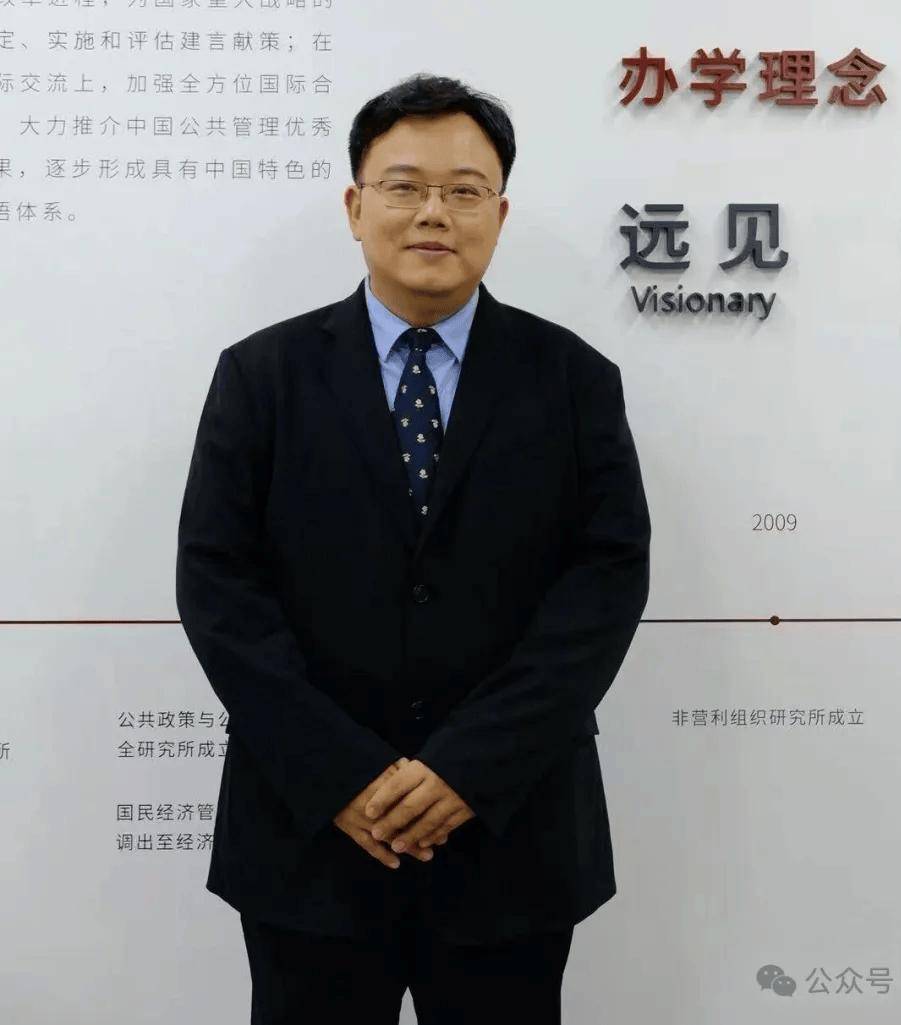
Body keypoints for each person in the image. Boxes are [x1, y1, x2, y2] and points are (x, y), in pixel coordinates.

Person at [175, 71, 651, 1024]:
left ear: (499, 214)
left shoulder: (573, 380)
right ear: (356, 206)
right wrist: (340, 772)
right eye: (404, 186)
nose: (434, 212)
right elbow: (219, 586)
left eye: (464, 190)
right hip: (308, 838)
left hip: (509, 837)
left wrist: (470, 767)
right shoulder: (262, 376)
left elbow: (603, 586)